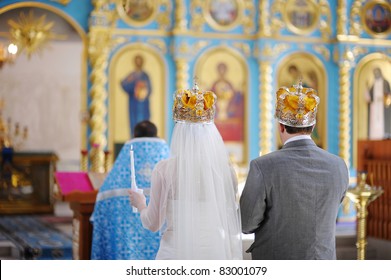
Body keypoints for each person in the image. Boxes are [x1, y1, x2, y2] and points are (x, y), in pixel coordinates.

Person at [129, 83, 243, 259]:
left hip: (174, 253)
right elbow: (230, 220)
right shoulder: (225, 172)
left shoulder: (164, 170)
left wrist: (140, 203)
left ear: (179, 132)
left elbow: (153, 223)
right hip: (213, 252)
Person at [240, 81, 349, 260]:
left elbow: (246, 223)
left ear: (281, 127)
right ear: (312, 127)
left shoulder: (262, 166)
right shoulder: (338, 165)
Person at [91, 120, 169, 260]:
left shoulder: (123, 164)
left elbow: (103, 198)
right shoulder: (166, 161)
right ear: (156, 134)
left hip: (126, 243)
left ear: (134, 134)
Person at [121, 55, 152, 137]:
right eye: (137, 61)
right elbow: (124, 84)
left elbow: (149, 89)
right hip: (134, 102)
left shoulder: (145, 75)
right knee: (134, 120)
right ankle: (134, 135)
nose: (138, 63)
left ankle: (145, 135)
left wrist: (143, 89)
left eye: (139, 61)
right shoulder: (132, 75)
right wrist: (133, 87)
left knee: (144, 120)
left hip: (143, 103)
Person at [365, 67, 391, 139]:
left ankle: (385, 133)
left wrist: (386, 101)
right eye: (375, 73)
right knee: (375, 120)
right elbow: (369, 97)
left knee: (382, 120)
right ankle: (374, 135)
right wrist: (367, 88)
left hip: (383, 106)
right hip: (375, 106)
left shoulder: (385, 83)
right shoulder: (373, 84)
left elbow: (388, 95)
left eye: (377, 72)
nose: (376, 74)